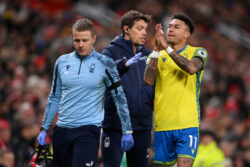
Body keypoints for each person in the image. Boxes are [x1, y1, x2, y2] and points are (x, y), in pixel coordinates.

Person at [36, 18, 134, 167]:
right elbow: (54, 97)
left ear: (93, 39)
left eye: (85, 40)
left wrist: (127, 130)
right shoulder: (61, 62)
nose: (80, 45)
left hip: (88, 130)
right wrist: (44, 129)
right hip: (61, 130)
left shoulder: (105, 64)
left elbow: (119, 98)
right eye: (77, 40)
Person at [144, 14, 208, 167]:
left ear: (187, 34)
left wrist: (166, 47)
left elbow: (191, 68)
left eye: (176, 27)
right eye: (169, 26)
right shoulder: (157, 55)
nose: (171, 29)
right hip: (163, 125)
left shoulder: (198, 52)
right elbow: (148, 80)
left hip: (187, 124)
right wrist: (156, 50)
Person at [101, 10, 154, 167]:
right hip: (116, 126)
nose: (144, 33)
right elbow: (104, 76)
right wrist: (123, 65)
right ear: (126, 29)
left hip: (142, 126)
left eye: (145, 29)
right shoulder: (110, 51)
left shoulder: (148, 55)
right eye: (139, 28)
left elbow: (155, 85)